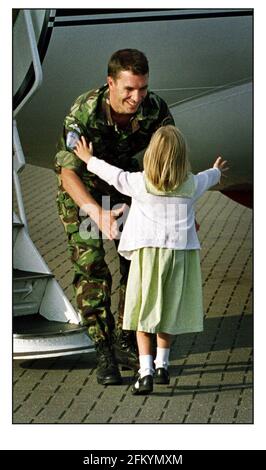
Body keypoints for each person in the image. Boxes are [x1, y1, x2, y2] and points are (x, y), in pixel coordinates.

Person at [73, 126, 228, 395]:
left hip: (147, 260)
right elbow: (208, 178)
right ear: (182, 158)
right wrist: (216, 171)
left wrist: (88, 159)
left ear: (151, 155)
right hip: (178, 260)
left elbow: (114, 175)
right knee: (167, 314)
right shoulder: (190, 184)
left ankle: (145, 373)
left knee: (144, 316)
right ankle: (163, 366)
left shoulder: (141, 184)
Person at [54, 49, 175, 385]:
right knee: (92, 267)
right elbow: (68, 172)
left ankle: (127, 339)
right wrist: (97, 213)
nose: (137, 98)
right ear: (111, 83)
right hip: (87, 192)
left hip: (129, 190)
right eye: (128, 90)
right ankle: (103, 348)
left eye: (143, 88)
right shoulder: (85, 112)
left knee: (136, 266)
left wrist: (178, 209)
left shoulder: (155, 110)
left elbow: (169, 163)